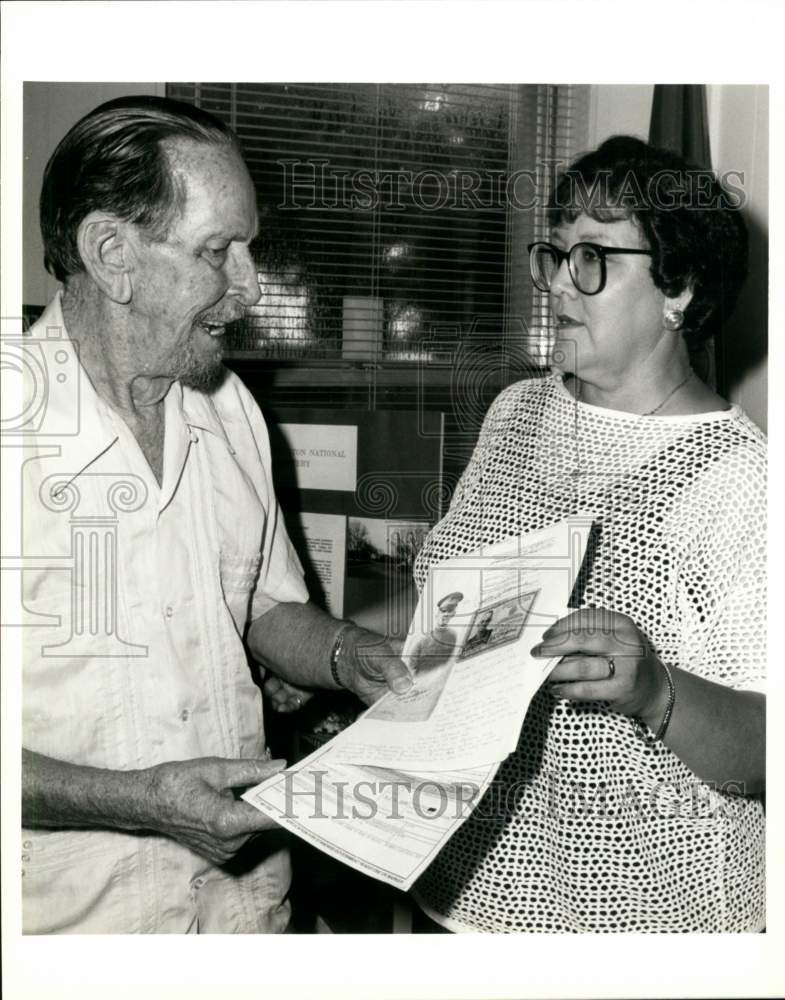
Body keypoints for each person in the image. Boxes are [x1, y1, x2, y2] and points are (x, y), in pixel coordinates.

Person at [21, 95, 411, 934]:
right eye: (216, 251)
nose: (249, 284)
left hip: (243, 919)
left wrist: (349, 656)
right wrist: (132, 802)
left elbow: (263, 606)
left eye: (249, 247)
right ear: (111, 253)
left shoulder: (228, 407)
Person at [410, 136, 766, 933]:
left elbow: (765, 747)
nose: (560, 286)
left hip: (644, 919)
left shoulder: (741, 478)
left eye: (594, 257)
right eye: (556, 253)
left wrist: (651, 689)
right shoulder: (516, 414)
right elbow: (449, 618)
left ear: (678, 289)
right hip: (470, 890)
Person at [408, 591, 464, 675]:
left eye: (450, 611)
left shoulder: (453, 636)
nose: (446, 614)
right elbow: (410, 666)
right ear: (436, 613)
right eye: (443, 611)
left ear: (453, 614)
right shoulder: (421, 637)